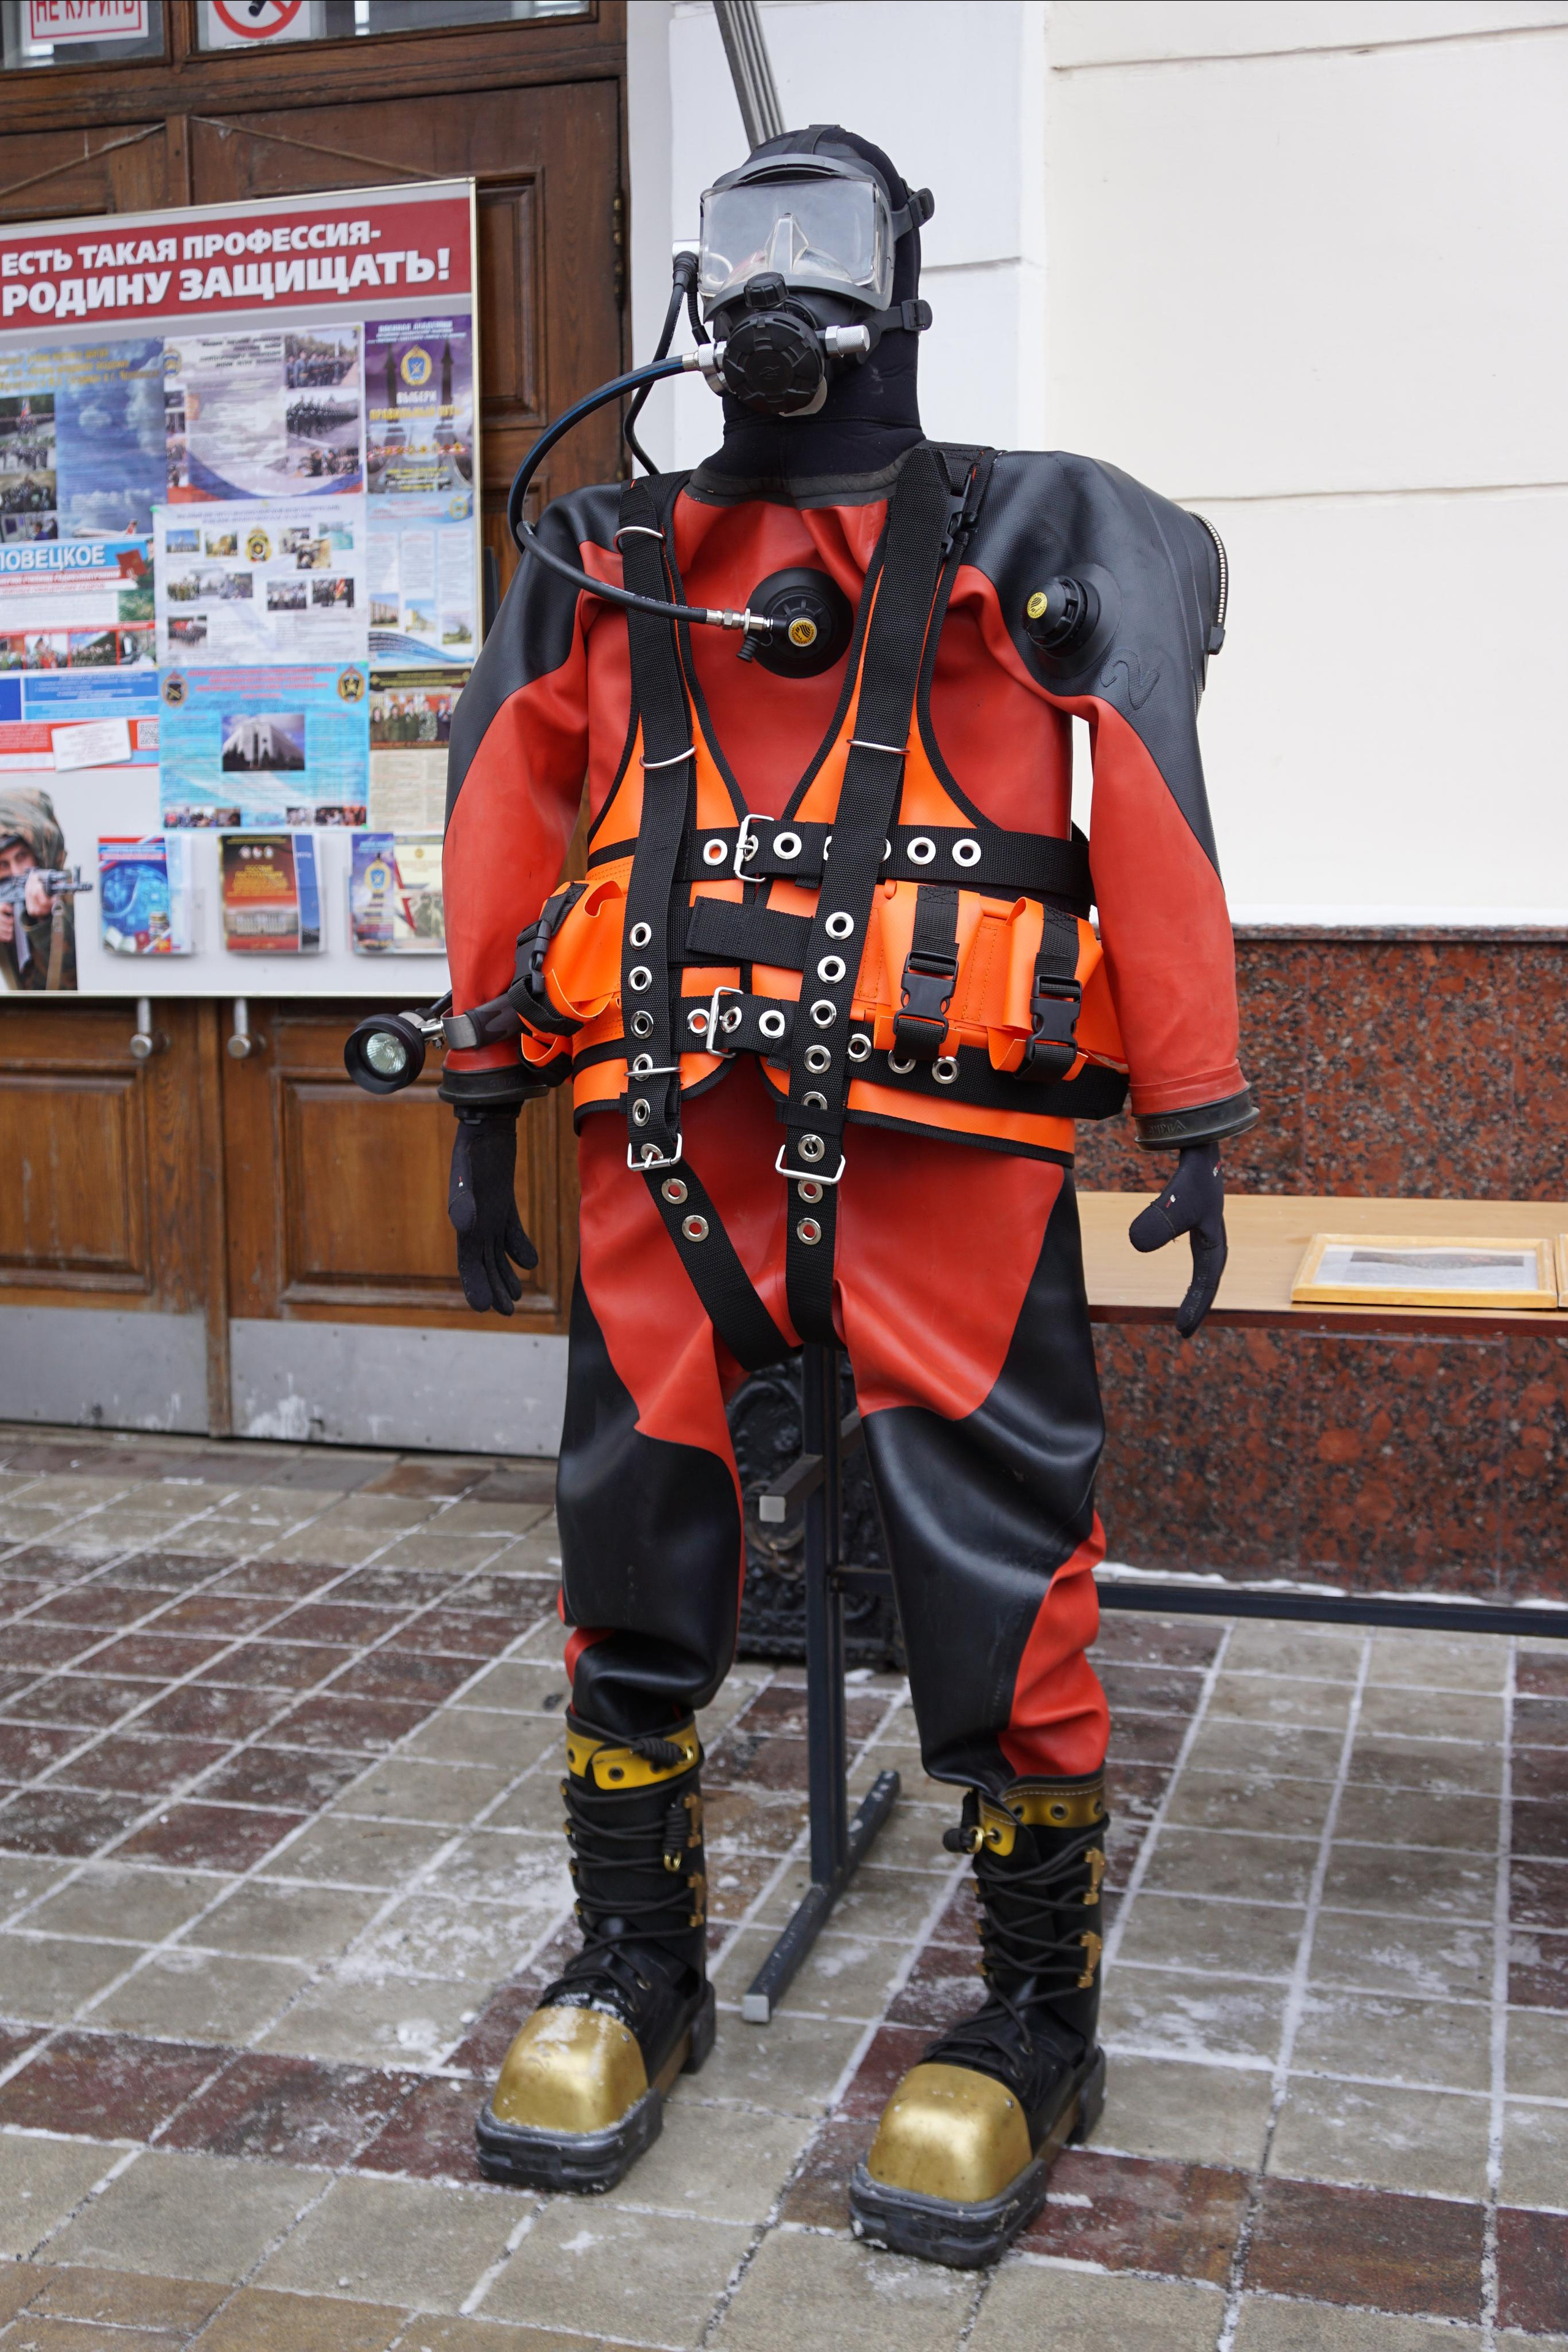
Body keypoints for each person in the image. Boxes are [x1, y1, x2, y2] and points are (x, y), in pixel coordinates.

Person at [439, 125, 1254, 2264]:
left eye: (818, 245)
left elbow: (1147, 776)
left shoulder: (1034, 525)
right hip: (663, 1144)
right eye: (744, 246)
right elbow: (505, 802)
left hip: (947, 1166)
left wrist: (1196, 1107)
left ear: (901, 277)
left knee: (1003, 1561)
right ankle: (636, 1963)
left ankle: (1033, 2014)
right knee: (633, 1533)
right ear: (700, 294)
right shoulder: (609, 551)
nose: (776, 287)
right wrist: (472, 1095)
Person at [0, 788, 77, 991]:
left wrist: (44, 923)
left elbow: (68, 984)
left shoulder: (66, 896)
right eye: (3, 864)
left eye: (22, 857)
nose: (17, 872)